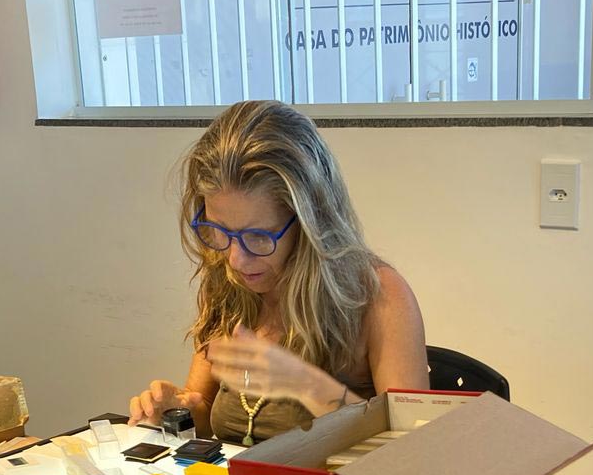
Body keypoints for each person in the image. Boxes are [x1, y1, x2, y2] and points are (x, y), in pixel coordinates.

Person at [127, 100, 427, 446]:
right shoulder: (228, 282)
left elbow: (412, 452)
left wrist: (306, 384)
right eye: (219, 231)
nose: (236, 259)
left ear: (311, 224)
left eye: (259, 236)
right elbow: (206, 413)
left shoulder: (378, 295)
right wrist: (175, 410)